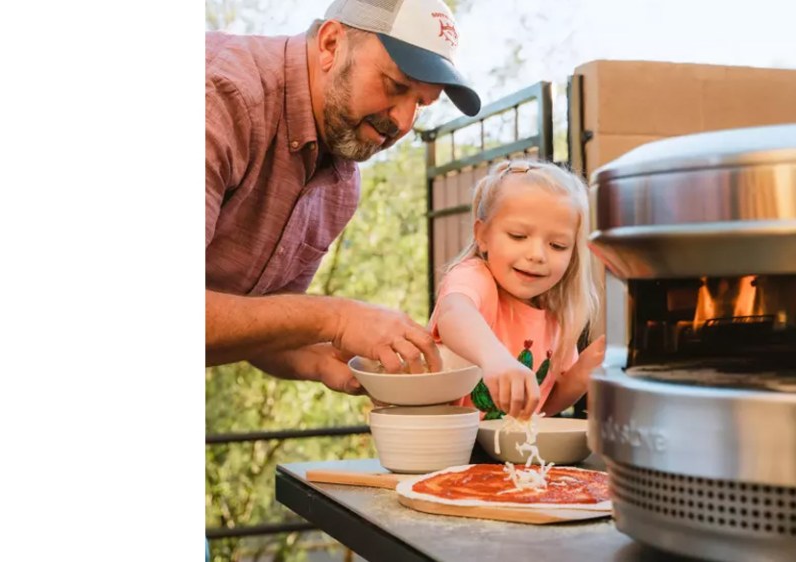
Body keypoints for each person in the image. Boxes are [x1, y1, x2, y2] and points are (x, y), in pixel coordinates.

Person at [205, 0, 483, 390]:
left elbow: (254, 320)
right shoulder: (220, 96)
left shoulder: (340, 187)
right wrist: (336, 318)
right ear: (331, 44)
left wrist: (320, 357)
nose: (402, 122)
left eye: (419, 103)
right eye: (396, 85)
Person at [429, 160, 606, 421]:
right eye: (518, 236)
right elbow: (454, 313)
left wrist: (580, 375)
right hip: (447, 450)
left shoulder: (557, 318)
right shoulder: (474, 277)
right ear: (483, 235)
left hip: (507, 458)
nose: (536, 255)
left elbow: (541, 404)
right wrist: (495, 359)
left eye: (557, 245)